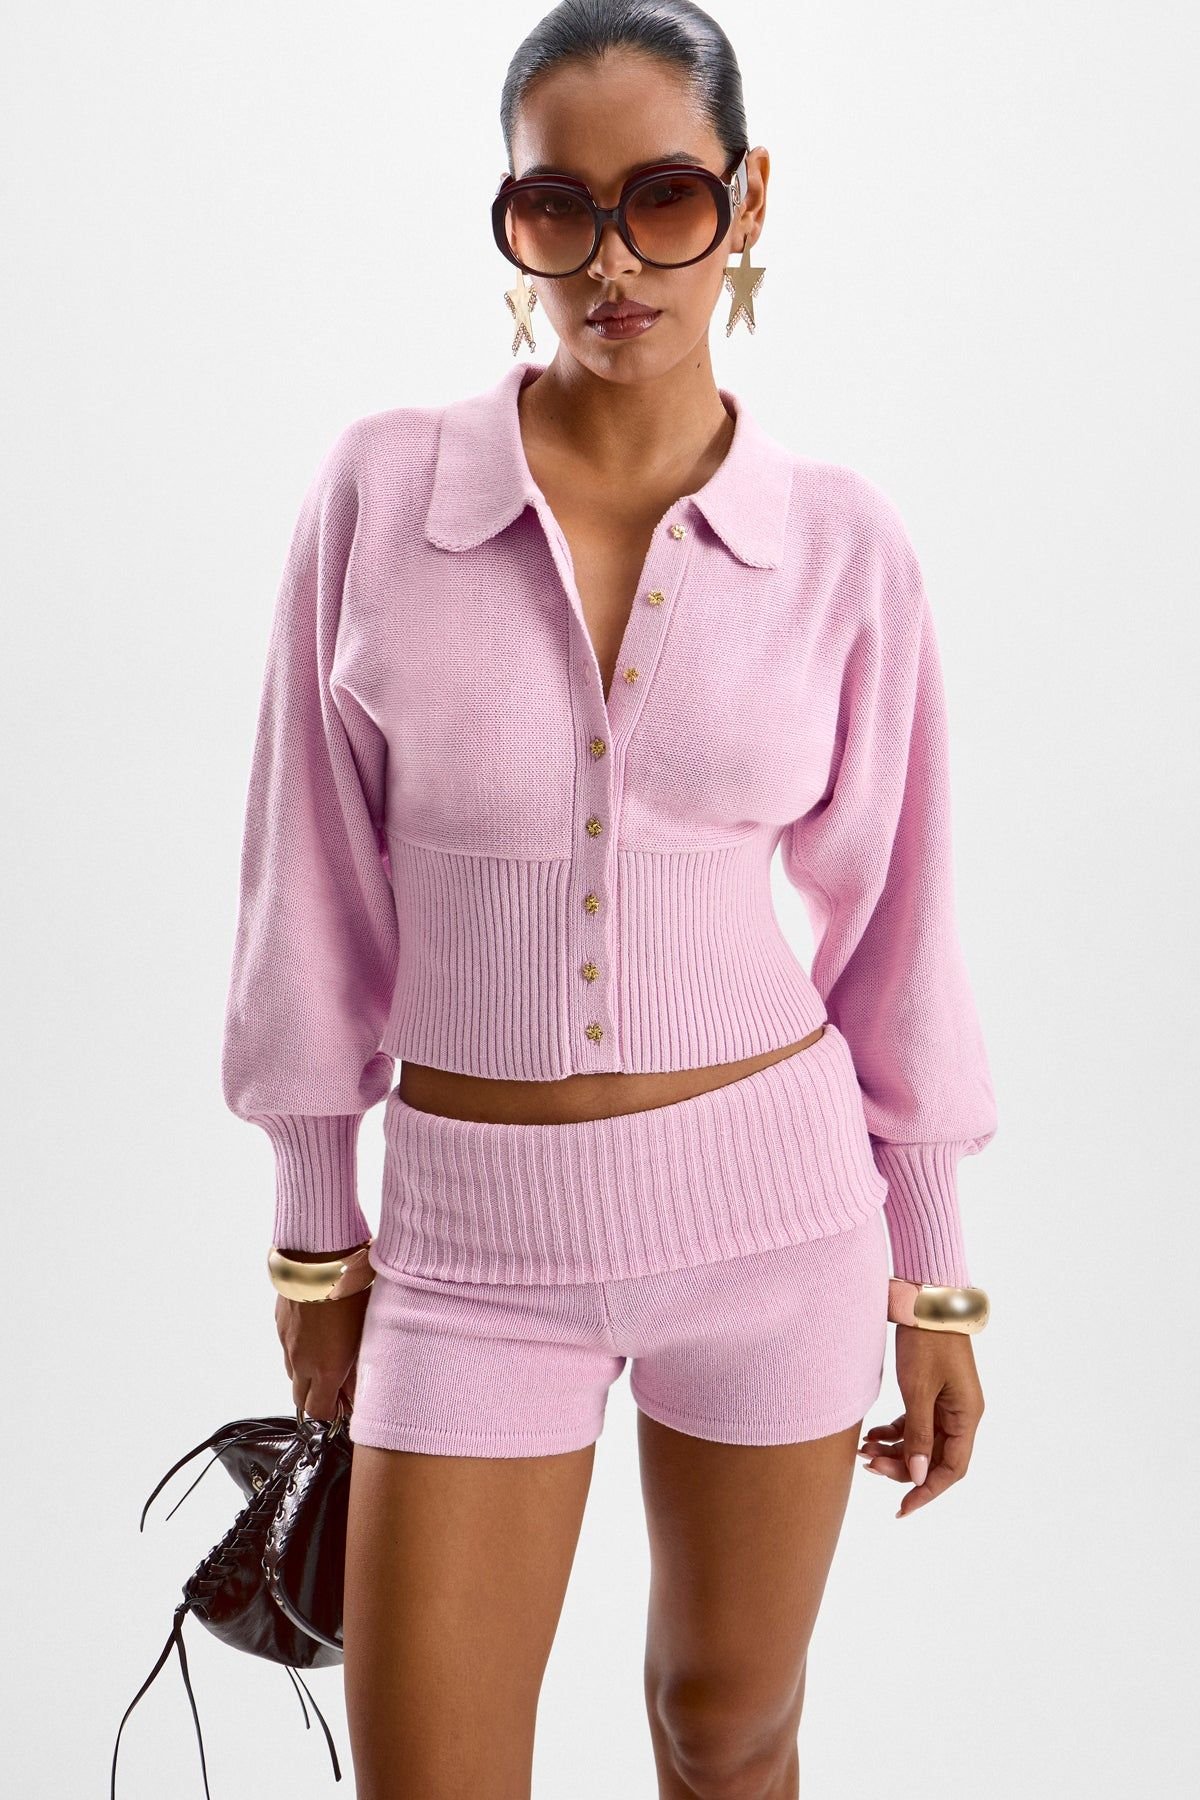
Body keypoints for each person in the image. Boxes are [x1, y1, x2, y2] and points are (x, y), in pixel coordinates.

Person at [219, 3, 998, 1794]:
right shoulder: (384, 497)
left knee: (728, 1733)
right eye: (555, 208)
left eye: (664, 198)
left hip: (777, 1227)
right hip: (469, 1255)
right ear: (510, 219)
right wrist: (314, 1231)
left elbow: (900, 927)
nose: (612, 260)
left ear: (747, 200)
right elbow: (303, 888)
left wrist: (936, 1278)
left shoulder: (842, 546)